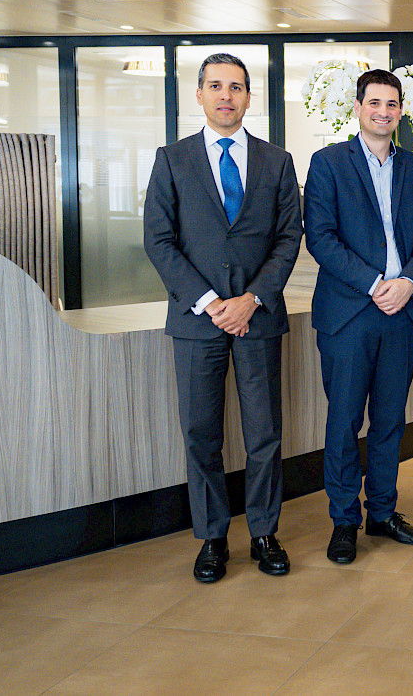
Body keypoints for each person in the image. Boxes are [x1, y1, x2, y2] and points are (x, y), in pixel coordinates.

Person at [143, 53, 302, 584]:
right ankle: (212, 537)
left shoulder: (277, 162)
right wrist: (211, 302)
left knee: (264, 433)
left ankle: (263, 532)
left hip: (258, 317)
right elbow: (159, 240)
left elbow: (288, 238)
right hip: (197, 321)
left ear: (249, 97)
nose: (226, 96)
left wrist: (253, 297)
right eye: (215, 86)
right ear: (200, 95)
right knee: (201, 433)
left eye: (236, 87)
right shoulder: (172, 159)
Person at [305, 68, 413, 564]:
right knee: (344, 420)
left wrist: (407, 283)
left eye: (392, 104)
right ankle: (345, 520)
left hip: (401, 310)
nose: (383, 112)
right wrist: (373, 283)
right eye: (375, 103)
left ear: (401, 111)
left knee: (389, 420)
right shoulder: (328, 163)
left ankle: (382, 512)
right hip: (350, 311)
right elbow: (320, 236)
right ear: (358, 107)